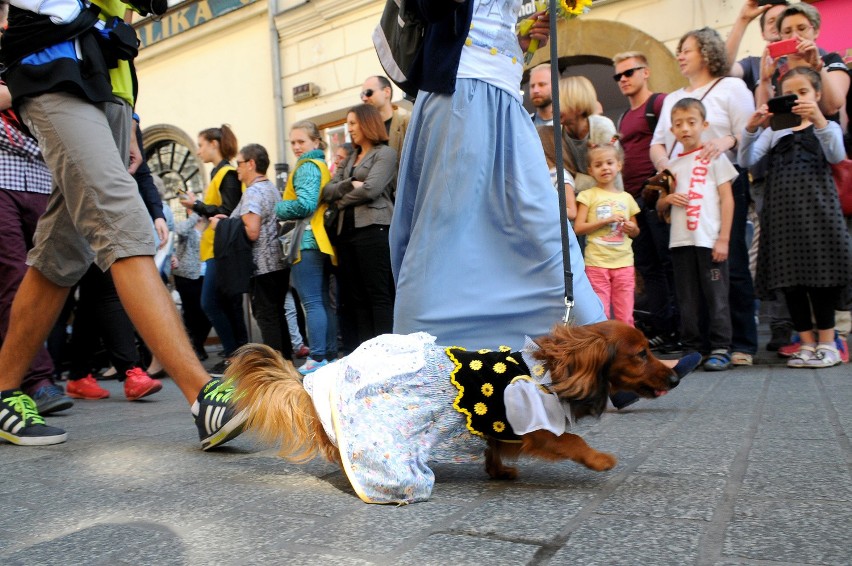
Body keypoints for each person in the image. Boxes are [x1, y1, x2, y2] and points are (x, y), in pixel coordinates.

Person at [0, 0, 245, 448]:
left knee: (64, 247)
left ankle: (2, 389)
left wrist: (129, 117)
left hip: (106, 84)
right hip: (49, 68)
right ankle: (203, 395)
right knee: (119, 213)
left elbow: (123, 13)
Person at [650, 27, 758, 368]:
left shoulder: (731, 86)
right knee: (688, 293)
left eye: (687, 49)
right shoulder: (672, 98)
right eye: (679, 49)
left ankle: (735, 344)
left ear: (707, 52)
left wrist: (721, 144)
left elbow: (746, 131)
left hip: (717, 183)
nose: (680, 54)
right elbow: (659, 142)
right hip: (682, 202)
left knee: (731, 268)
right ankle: (697, 346)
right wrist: (668, 174)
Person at [739, 68, 852, 368]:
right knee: (791, 281)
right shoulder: (775, 129)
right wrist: (750, 129)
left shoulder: (826, 126)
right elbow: (746, 160)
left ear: (816, 94)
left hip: (819, 213)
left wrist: (817, 119)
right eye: (791, 94)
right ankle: (805, 343)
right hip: (782, 216)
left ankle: (827, 343)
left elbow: (836, 155)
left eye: (803, 92)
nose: (797, 99)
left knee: (822, 278)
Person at [0, 61, 72, 416]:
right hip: (2, 176)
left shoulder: (21, 48)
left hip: (42, 177)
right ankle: (36, 380)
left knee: (48, 273)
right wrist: (31, 86)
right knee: (14, 276)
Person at [725, 0, 796, 351]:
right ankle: (783, 328)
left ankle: (826, 331)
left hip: (812, 169)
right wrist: (741, 18)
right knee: (774, 252)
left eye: (785, 23)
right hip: (768, 171)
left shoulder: (819, 60)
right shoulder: (754, 65)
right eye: (771, 22)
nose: (778, 28)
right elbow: (721, 66)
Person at [657, 98, 737, 371]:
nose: (685, 129)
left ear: (704, 125)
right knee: (687, 298)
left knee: (716, 295)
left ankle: (720, 347)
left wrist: (723, 238)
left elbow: (728, 199)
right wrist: (667, 200)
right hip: (681, 242)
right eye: (678, 124)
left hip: (709, 240)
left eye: (691, 122)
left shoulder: (714, 157)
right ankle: (692, 348)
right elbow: (660, 206)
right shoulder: (671, 166)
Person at [613, 51, 679, 350]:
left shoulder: (660, 103)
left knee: (669, 265)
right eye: (618, 76)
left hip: (657, 197)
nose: (623, 79)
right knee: (649, 268)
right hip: (633, 202)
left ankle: (682, 329)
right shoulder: (623, 117)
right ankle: (664, 330)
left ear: (646, 72)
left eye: (629, 72)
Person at [323, 104, 396, 348]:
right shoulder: (351, 158)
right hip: (346, 233)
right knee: (357, 298)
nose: (349, 129)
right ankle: (367, 353)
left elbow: (372, 189)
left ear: (367, 123)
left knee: (378, 294)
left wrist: (341, 198)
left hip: (374, 229)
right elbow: (327, 190)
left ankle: (386, 353)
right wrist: (350, 184)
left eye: (353, 123)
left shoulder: (385, 154)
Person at [213, 144, 292, 361]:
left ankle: (275, 368)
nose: (236, 168)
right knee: (277, 314)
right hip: (279, 263)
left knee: (266, 316)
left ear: (251, 164)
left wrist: (220, 227)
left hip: (262, 265)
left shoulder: (254, 192)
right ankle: (286, 362)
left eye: (239, 163)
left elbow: (252, 231)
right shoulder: (271, 188)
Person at [179, 125, 248, 371]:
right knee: (227, 303)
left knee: (211, 302)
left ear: (214, 144)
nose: (198, 151)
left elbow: (227, 211)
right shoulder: (221, 173)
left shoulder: (227, 173)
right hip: (215, 248)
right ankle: (238, 355)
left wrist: (196, 204)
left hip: (223, 248)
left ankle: (235, 354)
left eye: (200, 144)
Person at [276, 121, 338, 375]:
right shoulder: (320, 165)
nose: (296, 147)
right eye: (293, 142)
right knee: (321, 302)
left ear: (316, 142)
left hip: (306, 241)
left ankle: (318, 357)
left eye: (301, 141)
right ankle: (329, 355)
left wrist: (277, 207)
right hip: (319, 240)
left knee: (312, 303)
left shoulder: (307, 167)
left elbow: (305, 205)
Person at [574, 145, 640, 326]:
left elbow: (635, 230)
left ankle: (625, 352)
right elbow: (579, 228)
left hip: (624, 263)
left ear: (619, 165)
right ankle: (603, 353)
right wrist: (605, 220)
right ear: (590, 170)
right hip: (597, 263)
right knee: (600, 314)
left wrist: (629, 227)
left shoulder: (627, 198)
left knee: (625, 316)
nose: (605, 168)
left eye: (609, 163)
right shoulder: (588, 195)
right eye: (598, 164)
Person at [755, 3, 850, 121]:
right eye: (787, 31)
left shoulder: (830, 61)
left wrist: (818, 67)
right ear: (781, 36)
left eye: (801, 28)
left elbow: (831, 108)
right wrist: (765, 80)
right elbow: (765, 123)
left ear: (815, 32)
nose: (795, 36)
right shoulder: (776, 74)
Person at [172, 213, 212, 361]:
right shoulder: (187, 225)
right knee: (191, 314)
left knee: (208, 311)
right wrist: (195, 216)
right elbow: (180, 230)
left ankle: (197, 343)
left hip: (208, 275)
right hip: (187, 275)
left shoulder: (212, 225)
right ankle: (193, 348)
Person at [726, 0, 789, 93]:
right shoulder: (752, 64)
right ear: (763, 33)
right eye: (771, 21)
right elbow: (725, 69)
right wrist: (743, 19)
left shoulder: (811, 56)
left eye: (782, 19)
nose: (777, 24)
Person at [360, 76, 410, 161]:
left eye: (368, 93)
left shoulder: (406, 123)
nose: (364, 98)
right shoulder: (365, 131)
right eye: (362, 95)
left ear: (387, 92)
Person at [536, 125, 577, 221]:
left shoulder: (559, 175)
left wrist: (543, 211)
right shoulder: (540, 174)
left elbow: (572, 211)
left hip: (558, 231)